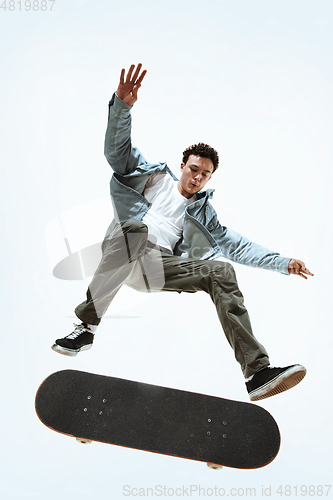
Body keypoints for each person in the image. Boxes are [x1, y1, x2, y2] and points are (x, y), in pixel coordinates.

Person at [52, 64, 314, 401]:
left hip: (159, 269)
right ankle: (86, 327)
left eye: (205, 174)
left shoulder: (205, 215)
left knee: (221, 270)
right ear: (182, 166)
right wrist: (122, 106)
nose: (198, 177)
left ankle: (257, 372)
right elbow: (116, 151)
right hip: (126, 251)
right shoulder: (151, 177)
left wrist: (283, 262)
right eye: (193, 169)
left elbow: (238, 246)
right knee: (133, 228)